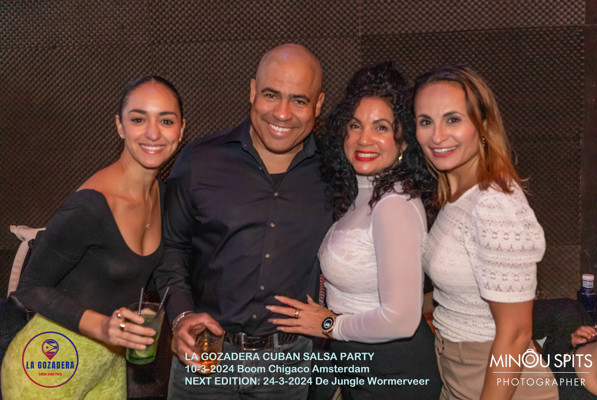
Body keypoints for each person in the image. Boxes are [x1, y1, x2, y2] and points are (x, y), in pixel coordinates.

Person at [153, 43, 332, 399]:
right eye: (271, 95)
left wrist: (334, 322)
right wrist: (181, 316)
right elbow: (172, 247)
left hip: (287, 366)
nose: (282, 113)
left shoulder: (336, 172)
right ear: (252, 91)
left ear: (318, 104)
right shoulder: (200, 161)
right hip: (204, 354)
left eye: (299, 100)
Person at [0, 75, 186, 399]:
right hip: (48, 368)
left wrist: (187, 316)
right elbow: (30, 287)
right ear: (120, 126)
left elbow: (166, 271)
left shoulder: (162, 193)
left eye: (166, 121)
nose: (153, 133)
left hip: (108, 365)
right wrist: (103, 326)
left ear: (181, 130)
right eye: (138, 119)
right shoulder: (90, 206)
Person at [268, 62, 442, 399]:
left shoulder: (394, 205)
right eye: (355, 125)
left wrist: (328, 324)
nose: (364, 138)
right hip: (359, 363)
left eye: (381, 127)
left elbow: (402, 320)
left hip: (393, 370)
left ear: (403, 140)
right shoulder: (362, 194)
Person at [413, 65, 558, 399]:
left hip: (498, 378)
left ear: (483, 125)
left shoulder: (493, 204)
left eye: (452, 119)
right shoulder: (459, 194)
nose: (437, 136)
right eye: (425, 121)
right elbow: (460, 292)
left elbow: (516, 333)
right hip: (459, 370)